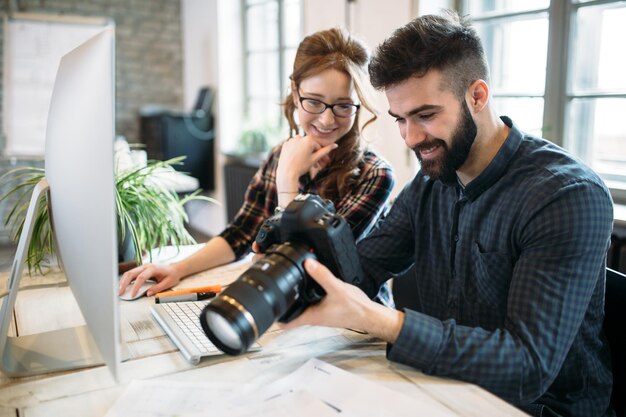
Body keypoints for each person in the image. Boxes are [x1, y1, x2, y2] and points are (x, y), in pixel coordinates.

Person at [281, 11, 615, 417]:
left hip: (535, 408)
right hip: (442, 389)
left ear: (477, 96)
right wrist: (293, 201)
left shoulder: (565, 196)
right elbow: (358, 271)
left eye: (425, 115)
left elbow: (528, 367)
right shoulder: (431, 183)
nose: (410, 137)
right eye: (400, 119)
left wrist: (383, 321)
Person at [119, 28, 395, 298]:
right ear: (295, 92)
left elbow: (309, 267)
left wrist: (287, 183)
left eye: (344, 106)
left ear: (359, 105)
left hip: (354, 328)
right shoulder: (281, 155)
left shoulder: (375, 175)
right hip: (293, 314)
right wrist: (177, 269)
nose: (326, 119)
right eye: (314, 102)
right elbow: (240, 233)